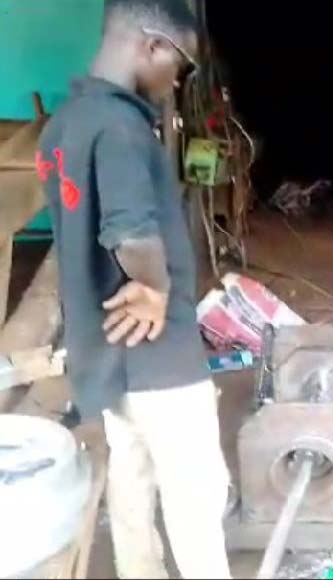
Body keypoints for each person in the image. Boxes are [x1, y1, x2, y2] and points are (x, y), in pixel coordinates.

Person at [37, 0, 231, 577]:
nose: (177, 81)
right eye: (181, 66)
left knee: (132, 484)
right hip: (160, 358)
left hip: (105, 354)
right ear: (153, 46)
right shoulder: (121, 128)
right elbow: (127, 227)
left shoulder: (62, 125)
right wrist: (152, 283)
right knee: (197, 500)